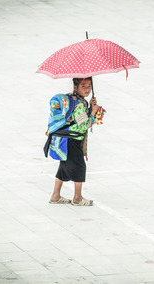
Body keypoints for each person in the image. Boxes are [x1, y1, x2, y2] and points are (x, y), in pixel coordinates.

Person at [48, 77, 98, 206]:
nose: (87, 89)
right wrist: (93, 112)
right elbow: (84, 126)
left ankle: (55, 195)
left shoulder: (73, 99)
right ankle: (77, 198)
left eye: (89, 86)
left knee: (64, 167)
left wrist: (91, 107)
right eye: (84, 86)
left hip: (64, 139)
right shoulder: (80, 105)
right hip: (72, 140)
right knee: (80, 167)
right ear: (75, 87)